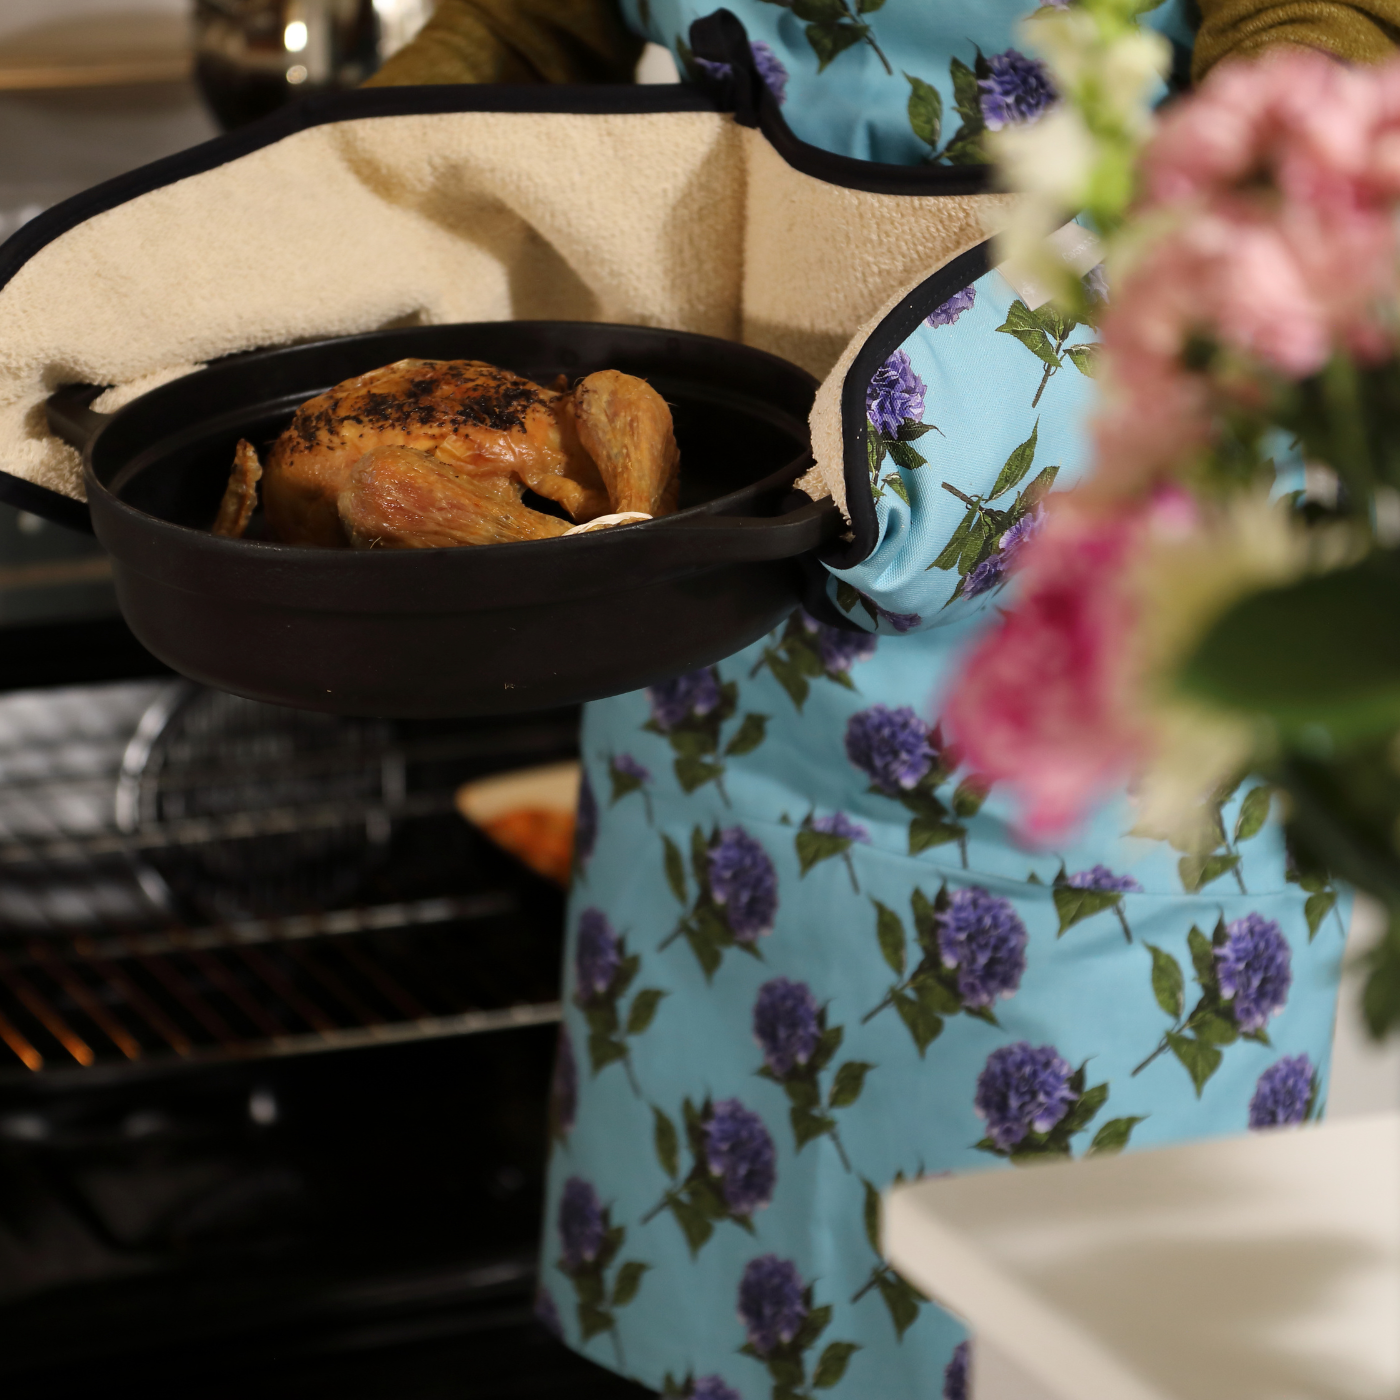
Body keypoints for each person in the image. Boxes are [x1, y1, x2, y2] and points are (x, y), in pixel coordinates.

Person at [375, 6, 1373, 1397]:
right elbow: (544, 20)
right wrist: (330, 208)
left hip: (1097, 691)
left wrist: (965, 371)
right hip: (718, 679)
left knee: (1060, 1341)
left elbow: (1325, 65)